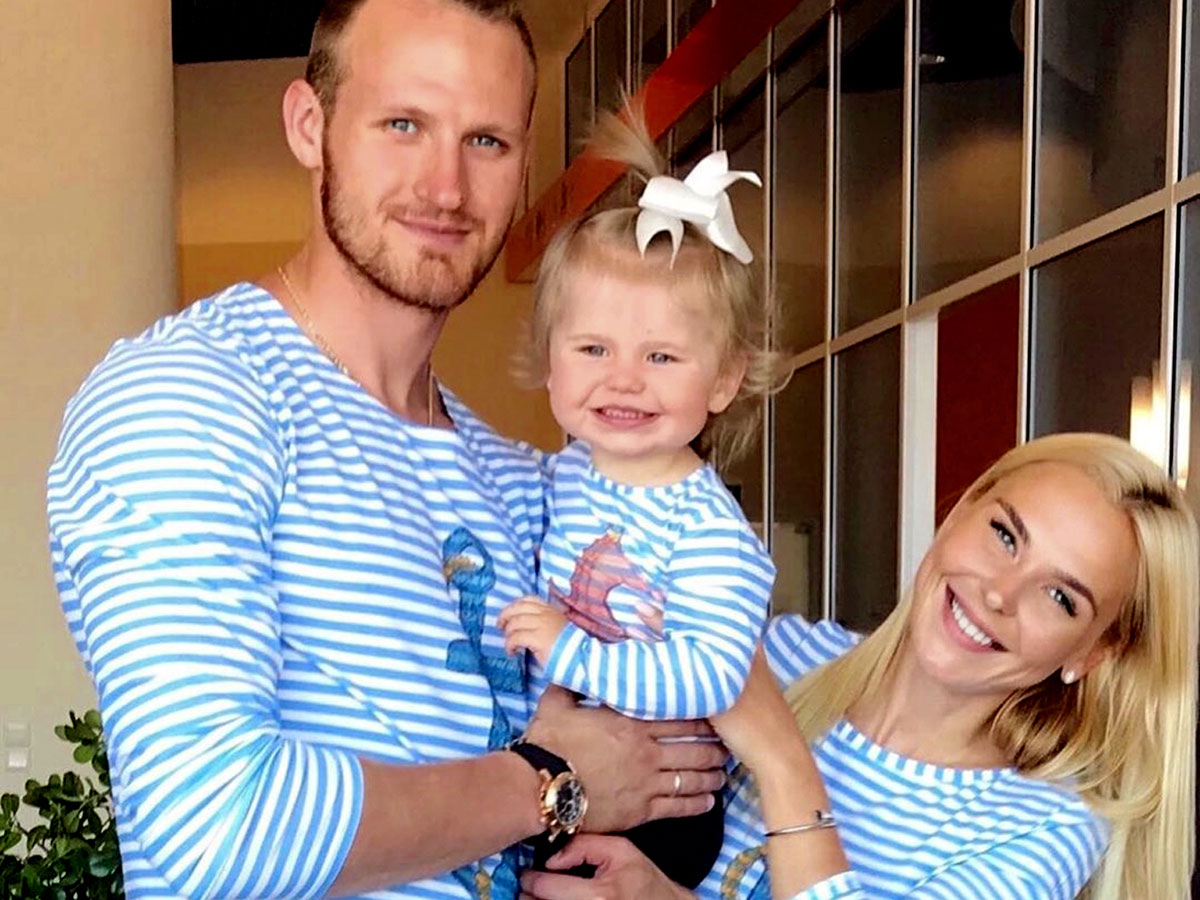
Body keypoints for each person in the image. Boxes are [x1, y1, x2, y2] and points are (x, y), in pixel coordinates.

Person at [44, 2, 727, 898]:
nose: (445, 188)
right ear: (309, 125)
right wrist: (551, 784)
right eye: (404, 124)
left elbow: (727, 672)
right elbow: (215, 832)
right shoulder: (192, 397)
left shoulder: (529, 485)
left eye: (486, 141)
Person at [517, 433, 1199, 900]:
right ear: (959, 512)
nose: (999, 592)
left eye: (1060, 597)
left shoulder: (1045, 830)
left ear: (1091, 653)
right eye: (1004, 534)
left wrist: (781, 760)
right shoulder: (777, 653)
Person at [496, 113, 786, 887]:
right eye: (593, 348)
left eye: (661, 356)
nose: (622, 379)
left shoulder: (710, 530)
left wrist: (570, 650)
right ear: (550, 362)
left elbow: (712, 677)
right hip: (562, 776)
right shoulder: (561, 478)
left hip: (662, 810)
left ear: (724, 379)